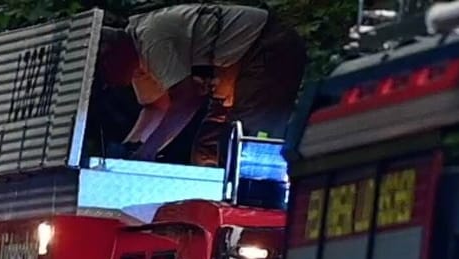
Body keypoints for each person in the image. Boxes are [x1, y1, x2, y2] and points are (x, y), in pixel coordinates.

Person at [97, 4, 307, 164]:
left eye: (105, 74)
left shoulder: (151, 39)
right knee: (207, 148)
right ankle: (211, 208)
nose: (109, 84)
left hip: (266, 46)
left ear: (111, 55)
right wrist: (129, 150)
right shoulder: (138, 61)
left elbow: (187, 100)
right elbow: (156, 107)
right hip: (229, 73)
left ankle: (253, 202)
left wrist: (148, 151)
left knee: (243, 142)